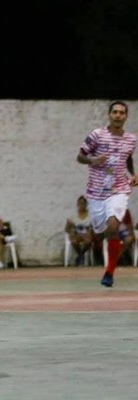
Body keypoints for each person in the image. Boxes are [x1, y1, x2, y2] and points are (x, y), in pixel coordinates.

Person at [76, 101, 138, 287]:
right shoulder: (97, 135)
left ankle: (109, 272)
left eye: (122, 113)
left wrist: (133, 173)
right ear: (109, 115)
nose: (118, 115)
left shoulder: (131, 139)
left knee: (113, 227)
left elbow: (127, 157)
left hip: (119, 189)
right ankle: (88, 245)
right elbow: (79, 156)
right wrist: (93, 160)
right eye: (115, 112)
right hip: (96, 192)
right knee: (100, 231)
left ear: (126, 116)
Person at [65, 195, 93, 266]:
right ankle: (81, 256)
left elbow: (94, 227)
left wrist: (89, 230)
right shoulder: (73, 215)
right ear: (77, 204)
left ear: (86, 205)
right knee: (74, 241)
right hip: (76, 234)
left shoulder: (91, 215)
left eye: (84, 203)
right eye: (80, 203)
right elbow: (67, 229)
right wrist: (71, 231)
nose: (82, 205)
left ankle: (80, 256)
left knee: (88, 241)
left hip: (86, 234)